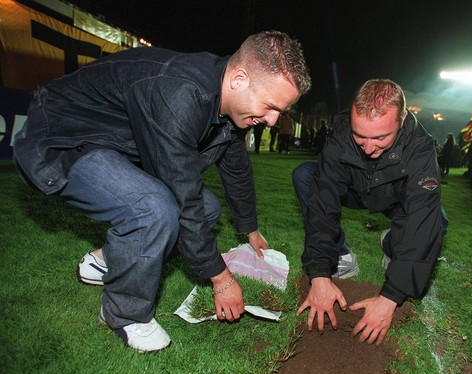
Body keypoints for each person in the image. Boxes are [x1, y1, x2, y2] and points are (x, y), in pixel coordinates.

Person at [13, 30, 311, 352]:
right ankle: (124, 314)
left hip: (111, 142)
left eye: (280, 111)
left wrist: (249, 228)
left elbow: (235, 167)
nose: (272, 120)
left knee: (207, 207)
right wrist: (221, 279)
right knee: (154, 209)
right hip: (63, 137)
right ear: (239, 79)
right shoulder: (179, 94)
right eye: (270, 106)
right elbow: (182, 198)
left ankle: (108, 261)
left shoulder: (223, 99)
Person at [293, 79, 446, 345]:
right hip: (355, 189)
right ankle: (341, 255)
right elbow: (323, 203)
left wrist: (391, 297)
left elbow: (421, 217)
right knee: (306, 175)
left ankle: (392, 244)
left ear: (402, 119)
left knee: (437, 220)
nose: (368, 148)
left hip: (396, 197)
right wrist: (319, 273)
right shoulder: (339, 136)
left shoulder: (420, 147)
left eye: (380, 137)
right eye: (360, 136)